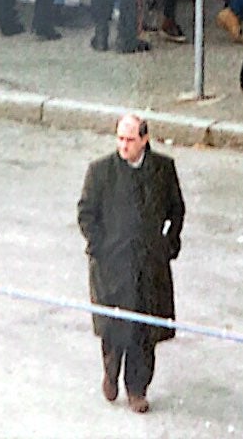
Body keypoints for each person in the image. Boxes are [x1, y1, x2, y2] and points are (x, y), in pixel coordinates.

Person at [77, 113, 185, 415]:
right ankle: (110, 373)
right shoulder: (100, 172)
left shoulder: (163, 169)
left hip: (148, 265)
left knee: (144, 330)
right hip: (112, 266)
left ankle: (137, 388)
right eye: (120, 139)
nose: (124, 146)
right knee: (114, 328)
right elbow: (86, 212)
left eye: (130, 140)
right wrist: (99, 247)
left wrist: (168, 244)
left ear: (144, 139)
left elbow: (176, 210)